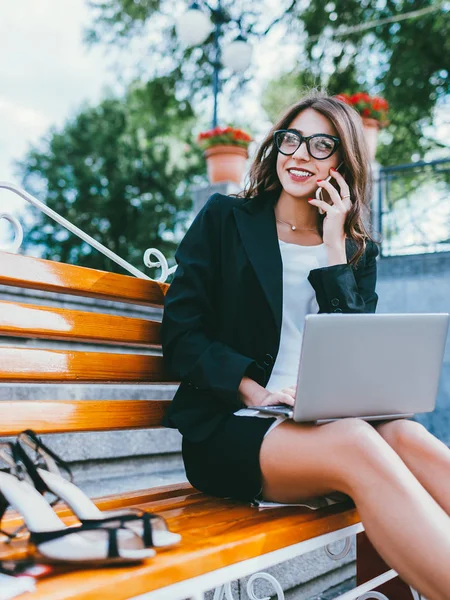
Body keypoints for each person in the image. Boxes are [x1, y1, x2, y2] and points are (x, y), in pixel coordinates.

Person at [161, 90, 450, 600]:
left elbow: (357, 351)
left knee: (408, 437)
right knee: (360, 443)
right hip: (234, 426)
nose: (300, 154)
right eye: (291, 139)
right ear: (275, 145)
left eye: (322, 145)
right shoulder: (226, 220)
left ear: (343, 161)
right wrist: (253, 390)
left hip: (325, 422)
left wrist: (335, 248)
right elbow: (181, 332)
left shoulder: (356, 247)